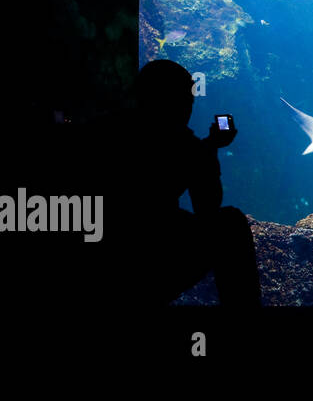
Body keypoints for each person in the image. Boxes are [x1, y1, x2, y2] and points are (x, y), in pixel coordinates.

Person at [97, 60, 261, 307]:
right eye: (186, 98)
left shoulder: (106, 128)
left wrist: (207, 147)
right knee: (230, 224)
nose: (189, 106)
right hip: (155, 252)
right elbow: (207, 207)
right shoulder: (184, 145)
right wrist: (211, 148)